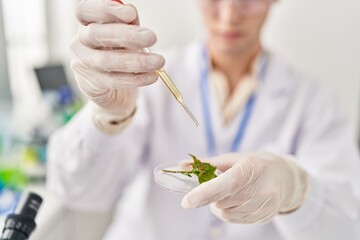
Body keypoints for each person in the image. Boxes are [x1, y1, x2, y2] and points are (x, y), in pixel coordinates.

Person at [47, 0, 360, 239]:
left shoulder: (314, 102)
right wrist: (109, 115)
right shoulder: (146, 79)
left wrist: (297, 189)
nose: (229, 14)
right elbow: (76, 190)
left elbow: (346, 226)